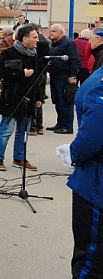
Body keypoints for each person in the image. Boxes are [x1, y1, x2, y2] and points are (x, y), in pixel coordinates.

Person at [66, 63, 103, 279]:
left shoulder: (99, 86)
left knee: (91, 261)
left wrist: (73, 153)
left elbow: (90, 140)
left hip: (95, 182)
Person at [0, 25, 42, 171]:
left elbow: (37, 78)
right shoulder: (10, 52)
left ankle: (19, 158)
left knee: (24, 131)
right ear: (25, 39)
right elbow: (1, 72)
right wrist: (21, 74)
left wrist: (38, 97)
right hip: (12, 97)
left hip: (28, 98)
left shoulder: (34, 54)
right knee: (6, 130)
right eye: (34, 37)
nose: (37, 40)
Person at [47, 24, 81, 135]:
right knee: (57, 101)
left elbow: (75, 60)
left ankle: (67, 126)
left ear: (61, 33)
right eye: (50, 30)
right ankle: (60, 123)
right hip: (54, 76)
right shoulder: (53, 44)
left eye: (54, 31)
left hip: (64, 77)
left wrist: (73, 75)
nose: (51, 33)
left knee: (65, 102)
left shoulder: (68, 44)